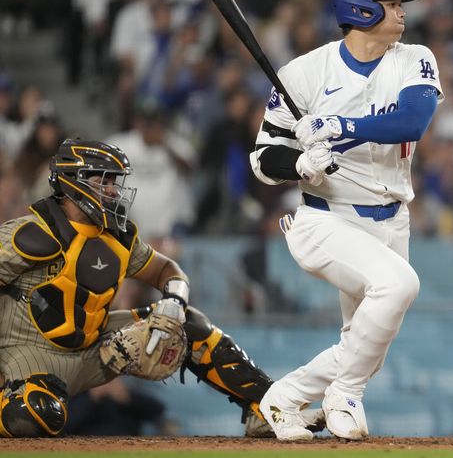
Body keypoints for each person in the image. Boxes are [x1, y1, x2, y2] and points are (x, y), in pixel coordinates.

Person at [0, 138, 324, 437]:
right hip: (30, 355)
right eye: (104, 181)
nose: (113, 191)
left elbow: (169, 271)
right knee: (35, 416)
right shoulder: (29, 232)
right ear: (72, 184)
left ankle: (266, 408)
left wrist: (173, 304)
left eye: (115, 182)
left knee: (189, 324)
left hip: (95, 348)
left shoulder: (120, 237)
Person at [249, 0, 443, 441]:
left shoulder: (414, 58)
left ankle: (283, 398)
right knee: (398, 287)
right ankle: (342, 395)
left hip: (393, 220)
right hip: (325, 221)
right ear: (362, 10)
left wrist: (338, 128)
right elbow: (262, 157)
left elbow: (412, 121)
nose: (401, 10)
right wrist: (300, 165)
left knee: (364, 346)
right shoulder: (304, 72)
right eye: (392, 2)